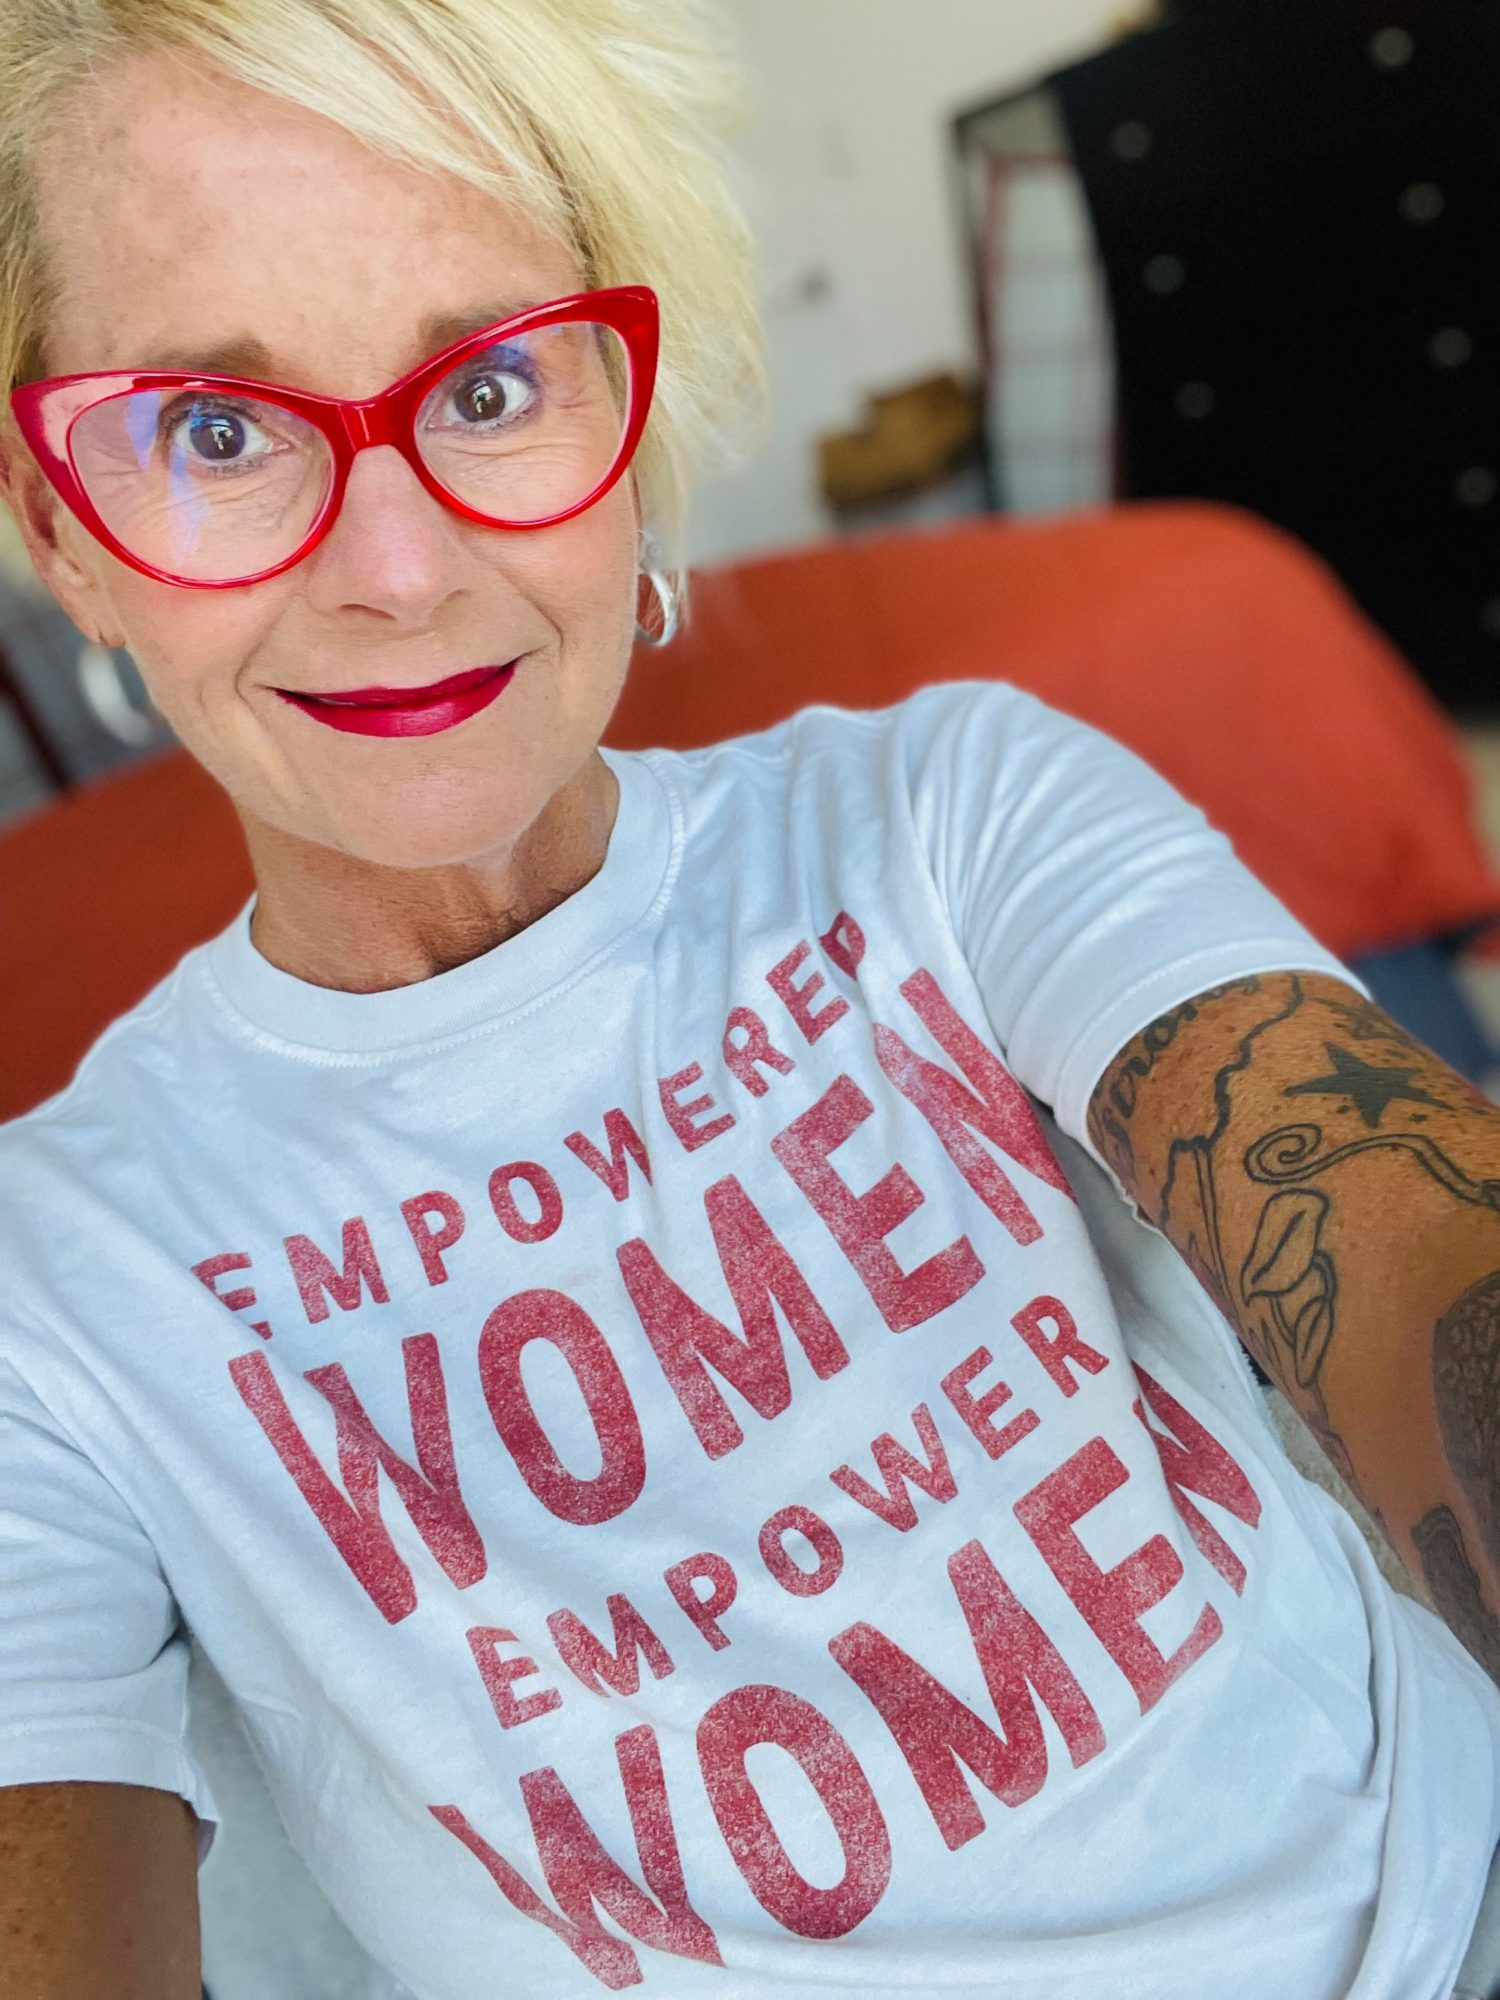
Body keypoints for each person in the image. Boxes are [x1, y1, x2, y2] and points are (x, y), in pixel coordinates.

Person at [1, 4, 1498, 1997]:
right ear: (66, 536)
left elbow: (1409, 1257)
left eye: (494, 382)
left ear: (631, 429)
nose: (396, 570)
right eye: (214, 430)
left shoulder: (958, 807)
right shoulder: (48, 1281)